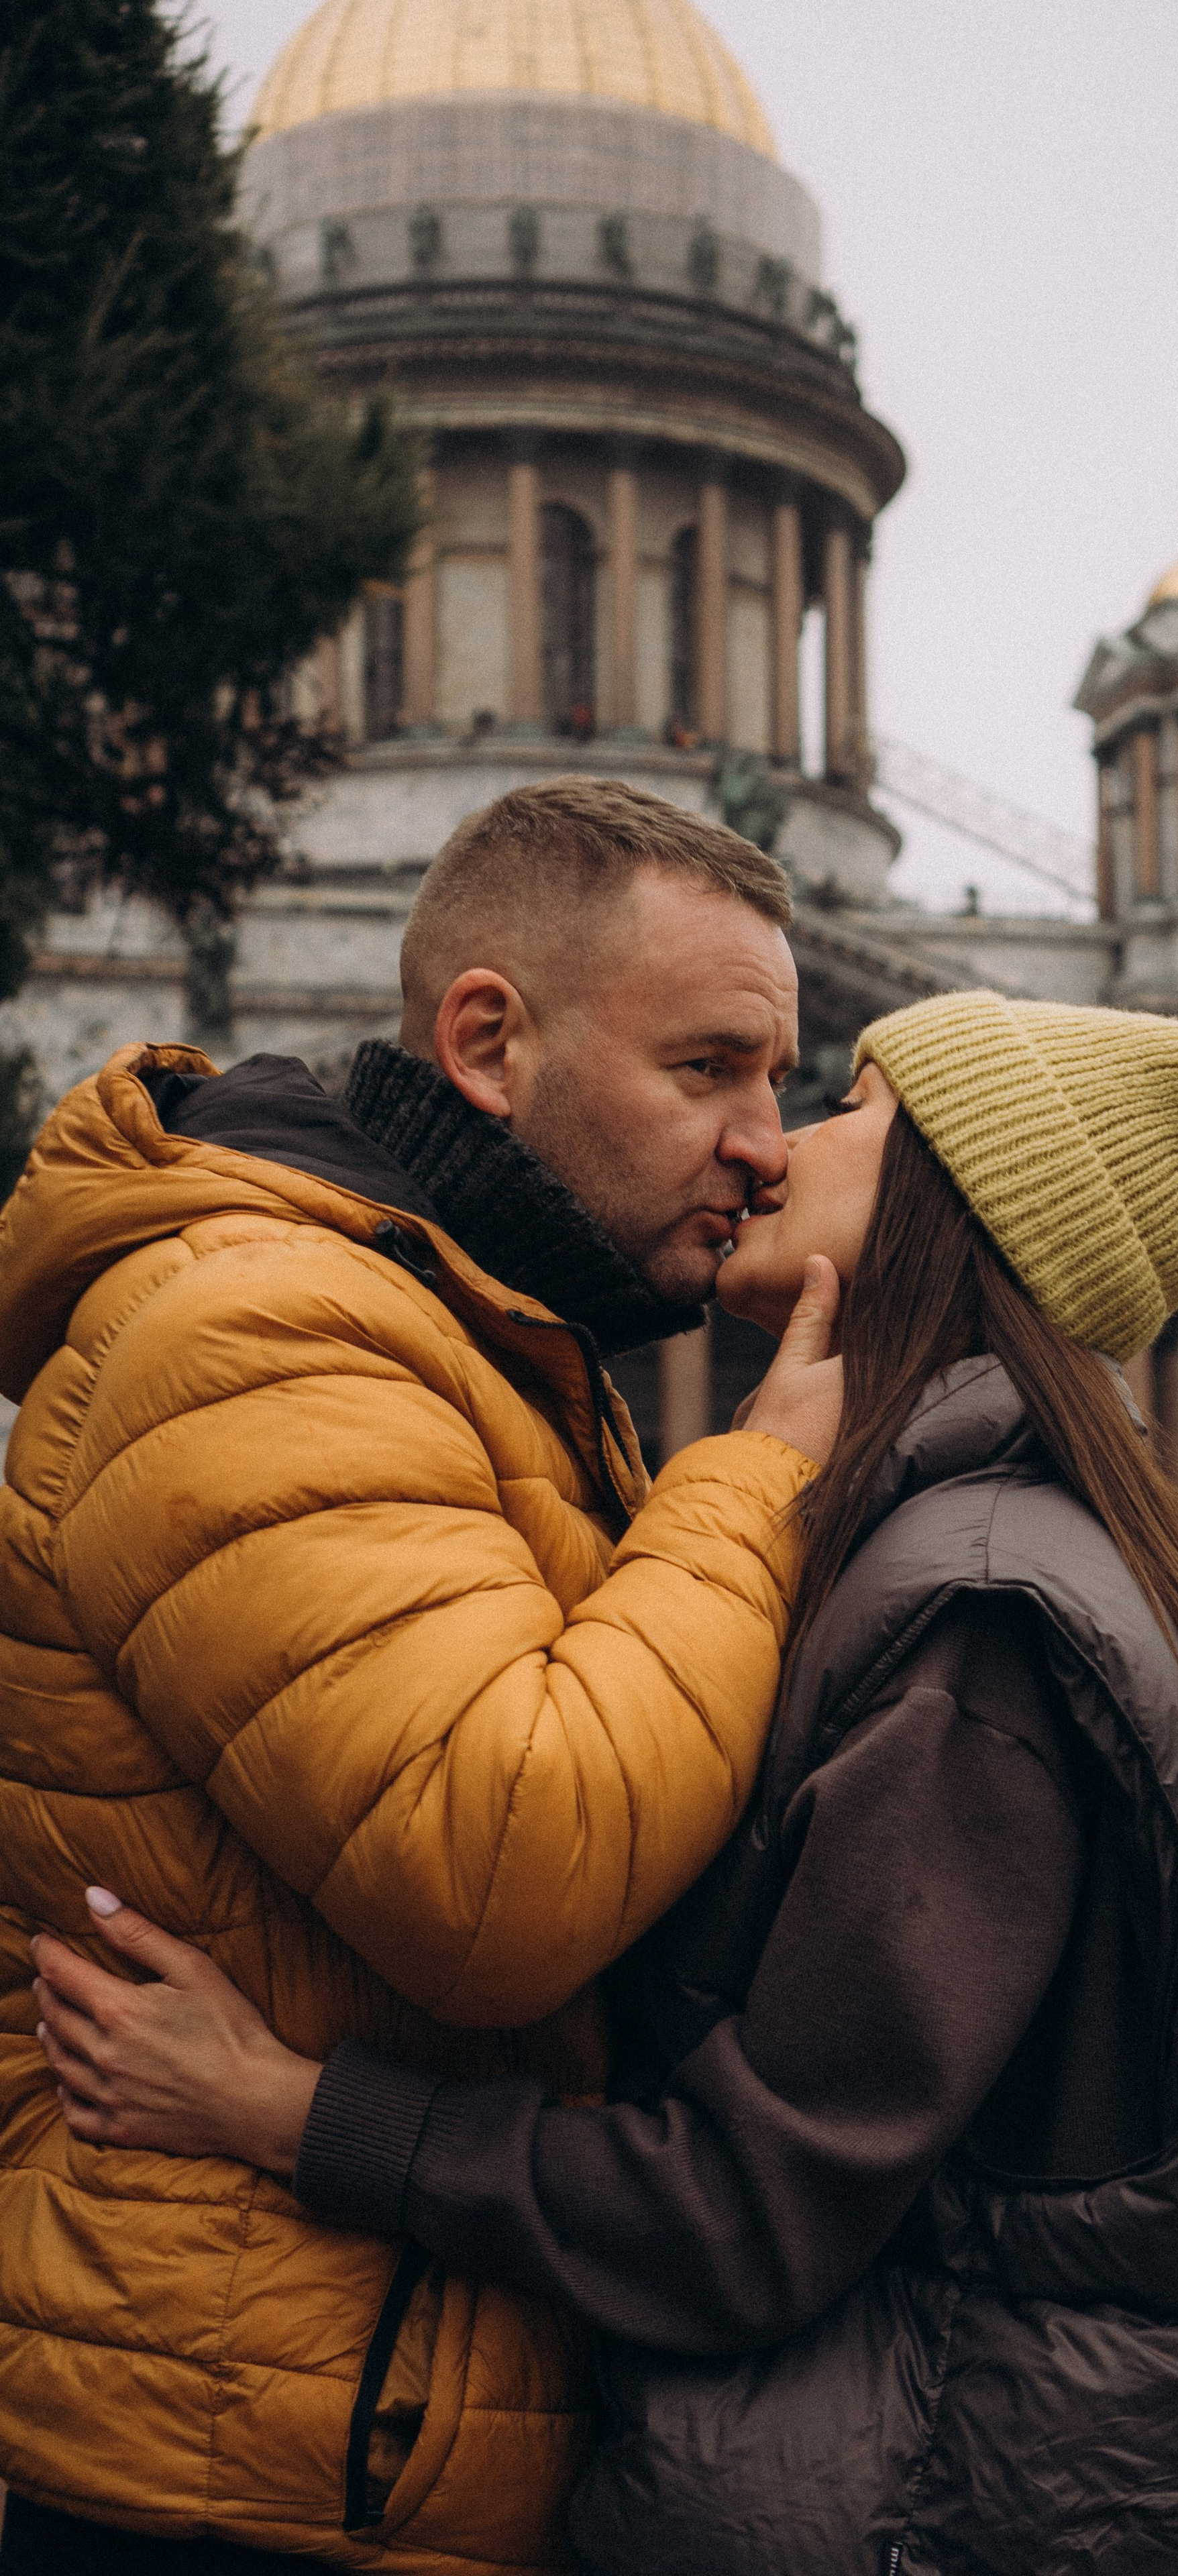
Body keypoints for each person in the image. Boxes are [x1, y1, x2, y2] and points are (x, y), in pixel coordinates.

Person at [32, 991, 1178, 2575]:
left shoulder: (969, 1619)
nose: (774, 1144)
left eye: (846, 1109)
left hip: (974, 2502)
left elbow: (740, 2208)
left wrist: (291, 2107)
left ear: (954, 1199)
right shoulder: (1008, 1550)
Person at [0, 779, 845, 2576]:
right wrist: (759, 1480)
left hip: (362, 2407)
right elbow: (505, 1865)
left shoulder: (475, 1335)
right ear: (486, 1040)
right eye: (711, 1070)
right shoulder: (263, 1330)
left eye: (783, 1083)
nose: (767, 1146)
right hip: (258, 2460)